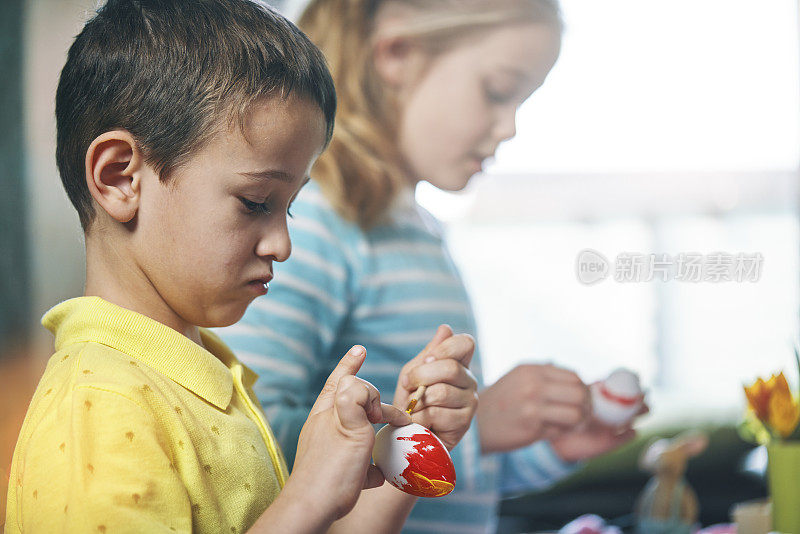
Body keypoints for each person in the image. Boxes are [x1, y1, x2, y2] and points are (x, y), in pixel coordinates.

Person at [4, 1, 478, 532]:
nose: (282, 244)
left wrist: (407, 447)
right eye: (255, 202)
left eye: (290, 206)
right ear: (120, 178)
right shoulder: (101, 407)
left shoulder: (202, 373)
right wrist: (309, 494)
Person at [219, 0, 642, 532]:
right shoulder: (312, 225)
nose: (510, 126)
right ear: (397, 54)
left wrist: (545, 449)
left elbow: (442, 481)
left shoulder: (413, 233)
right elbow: (250, 439)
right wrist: (479, 426)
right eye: (497, 91)